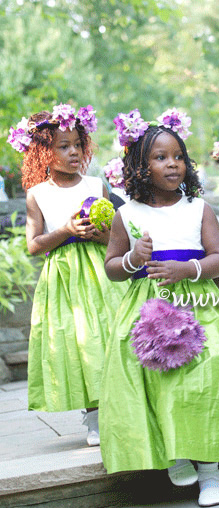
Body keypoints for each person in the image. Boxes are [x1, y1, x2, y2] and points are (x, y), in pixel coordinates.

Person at [99, 109, 219, 508]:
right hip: (148, 311)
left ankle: (211, 472)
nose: (172, 164)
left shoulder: (197, 209)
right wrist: (135, 259)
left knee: (205, 383)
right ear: (140, 166)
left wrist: (190, 268)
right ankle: (176, 451)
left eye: (178, 157)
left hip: (198, 306)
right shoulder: (127, 214)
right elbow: (113, 269)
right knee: (162, 386)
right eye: (160, 157)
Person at [9, 105, 128, 446]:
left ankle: (122, 407)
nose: (73, 151)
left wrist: (96, 233)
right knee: (81, 342)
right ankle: (94, 419)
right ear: (44, 152)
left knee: (110, 333)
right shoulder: (38, 194)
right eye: (63, 146)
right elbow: (35, 245)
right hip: (64, 278)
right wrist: (66, 229)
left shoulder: (95, 184)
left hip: (101, 270)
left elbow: (113, 237)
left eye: (77, 144)